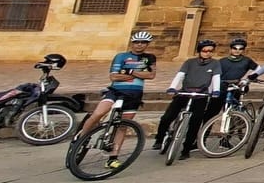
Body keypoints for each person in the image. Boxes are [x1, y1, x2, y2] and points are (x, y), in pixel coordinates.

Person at [76, 31, 157, 170]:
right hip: (115, 91)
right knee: (98, 114)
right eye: (137, 42)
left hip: (134, 94)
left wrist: (129, 72)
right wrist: (138, 75)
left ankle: (113, 157)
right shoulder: (121, 56)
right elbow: (114, 77)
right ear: (132, 43)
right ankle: (81, 138)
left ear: (147, 44)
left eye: (143, 42)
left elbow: (151, 75)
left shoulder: (150, 58)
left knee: (123, 126)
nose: (139, 45)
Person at [153, 39, 222, 160]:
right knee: (167, 117)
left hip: (201, 95)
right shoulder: (189, 62)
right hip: (184, 92)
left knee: (195, 122)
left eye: (210, 51)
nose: (207, 53)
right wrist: (172, 87)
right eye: (205, 51)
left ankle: (186, 149)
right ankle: (159, 139)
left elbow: (216, 77)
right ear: (199, 51)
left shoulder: (215, 64)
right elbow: (180, 75)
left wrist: (216, 91)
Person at [210, 37, 258, 148]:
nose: (237, 50)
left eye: (240, 49)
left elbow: (258, 68)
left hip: (236, 88)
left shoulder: (246, 60)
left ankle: (225, 139)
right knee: (211, 113)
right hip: (221, 88)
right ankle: (201, 137)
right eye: (235, 48)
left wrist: (247, 78)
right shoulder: (222, 61)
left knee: (232, 113)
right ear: (230, 49)